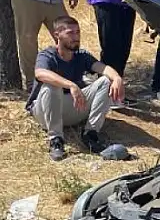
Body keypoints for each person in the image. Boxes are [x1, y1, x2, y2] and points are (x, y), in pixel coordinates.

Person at [26, 16, 124, 161]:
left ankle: (90, 134)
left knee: (106, 81)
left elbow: (103, 68)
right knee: (51, 85)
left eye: (78, 32)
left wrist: (117, 78)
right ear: (57, 35)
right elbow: (40, 73)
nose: (76, 37)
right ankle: (56, 140)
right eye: (70, 33)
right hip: (45, 111)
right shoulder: (48, 55)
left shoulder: (81, 55)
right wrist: (71, 85)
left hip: (72, 108)